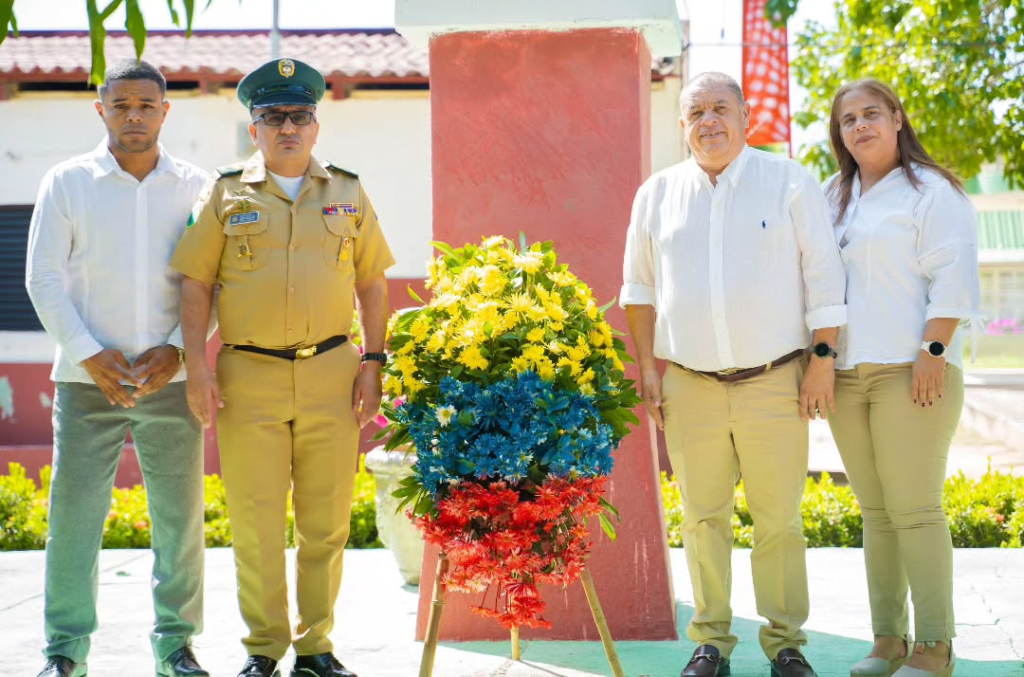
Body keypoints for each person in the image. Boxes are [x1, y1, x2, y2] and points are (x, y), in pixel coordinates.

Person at [172, 57, 394, 677]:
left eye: (299, 116)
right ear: (255, 130)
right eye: (273, 117)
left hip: (332, 371)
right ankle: (264, 648)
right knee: (257, 521)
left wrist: (373, 363)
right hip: (249, 375)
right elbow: (196, 285)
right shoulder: (223, 194)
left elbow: (373, 283)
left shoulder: (347, 191)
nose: (287, 127)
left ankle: (316, 647)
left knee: (325, 523)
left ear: (316, 126)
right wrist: (198, 367)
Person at [621, 72, 847, 677]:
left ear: (745, 117)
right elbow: (638, 289)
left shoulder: (788, 182)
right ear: (682, 126)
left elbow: (825, 278)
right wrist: (647, 363)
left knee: (778, 520)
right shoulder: (656, 193)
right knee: (702, 517)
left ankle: (786, 643)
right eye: (696, 112)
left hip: (776, 380)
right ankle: (711, 643)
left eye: (721, 108)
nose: (709, 121)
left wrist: (821, 363)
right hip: (689, 383)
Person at [25, 60, 211, 677]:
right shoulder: (67, 182)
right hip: (86, 382)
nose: (135, 116)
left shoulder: (197, 187)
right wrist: (88, 352)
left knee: (179, 522)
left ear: (165, 111)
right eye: (122, 104)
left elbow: (216, 283)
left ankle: (175, 646)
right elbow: (43, 277)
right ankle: (64, 651)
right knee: (73, 522)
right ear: (100, 109)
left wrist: (178, 349)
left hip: (172, 380)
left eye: (147, 105)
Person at [823, 79, 978, 677]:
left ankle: (935, 649)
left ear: (896, 117)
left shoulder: (932, 192)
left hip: (912, 369)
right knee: (876, 512)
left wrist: (932, 352)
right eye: (847, 120)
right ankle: (888, 641)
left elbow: (953, 278)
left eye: (870, 114)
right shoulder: (833, 196)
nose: (860, 126)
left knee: (914, 509)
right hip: (845, 375)